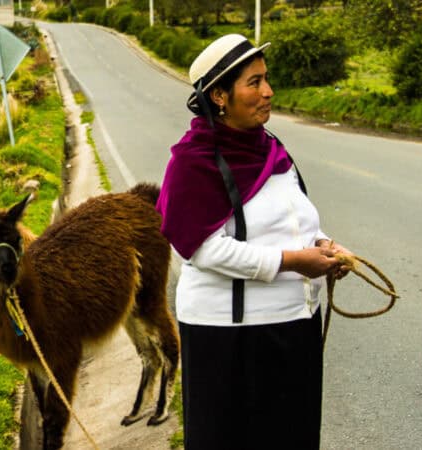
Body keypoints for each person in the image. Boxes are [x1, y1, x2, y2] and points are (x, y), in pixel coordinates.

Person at [155, 34, 353, 449]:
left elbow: (295, 223)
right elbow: (205, 251)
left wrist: (326, 246)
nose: (268, 92)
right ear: (219, 95)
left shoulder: (273, 150)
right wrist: (296, 261)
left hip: (295, 327)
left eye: (267, 79)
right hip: (228, 339)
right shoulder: (194, 162)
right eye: (254, 82)